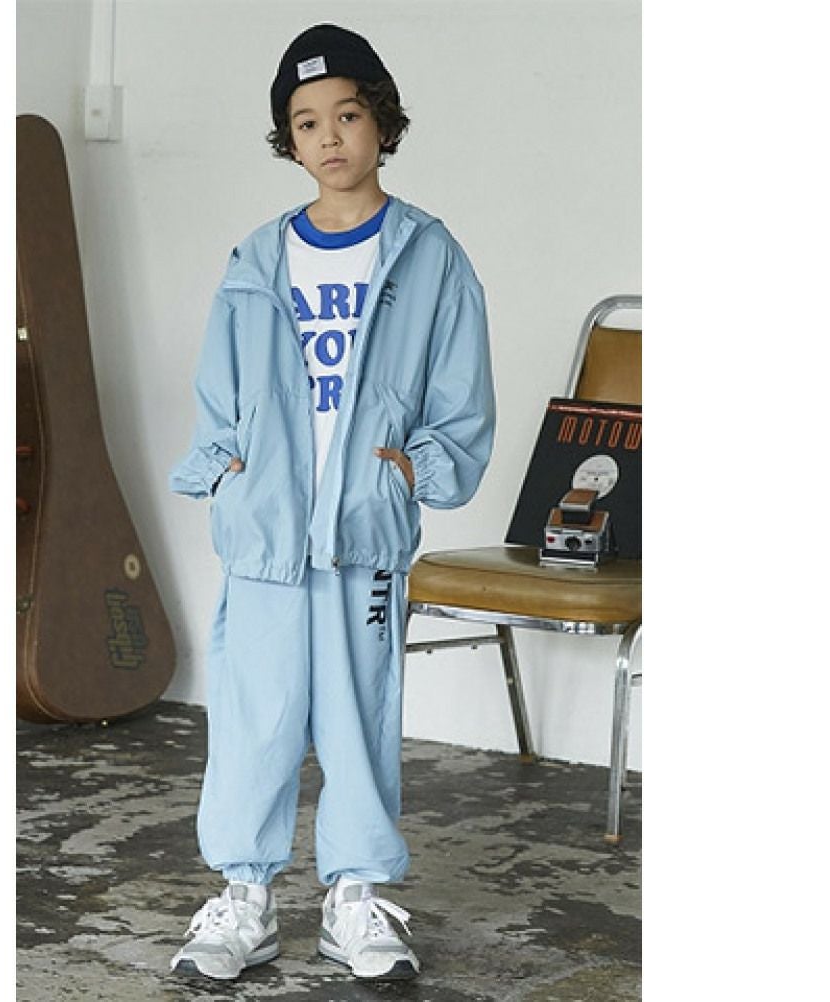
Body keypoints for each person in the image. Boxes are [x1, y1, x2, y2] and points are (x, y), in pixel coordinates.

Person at [168, 23, 495, 982]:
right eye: (306, 122)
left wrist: (414, 472)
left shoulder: (427, 254)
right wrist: (225, 473)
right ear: (290, 139)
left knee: (357, 716)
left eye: (347, 115)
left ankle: (357, 898)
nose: (329, 137)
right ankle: (244, 899)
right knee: (254, 715)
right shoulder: (257, 258)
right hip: (268, 531)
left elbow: (462, 394)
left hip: (363, 534)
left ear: (381, 121)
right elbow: (219, 390)